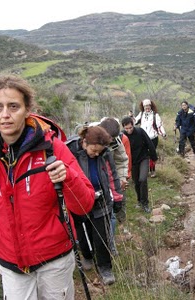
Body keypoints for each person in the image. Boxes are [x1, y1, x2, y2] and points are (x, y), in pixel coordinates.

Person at [0, 74, 95, 300]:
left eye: (13, 106)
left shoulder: (52, 149)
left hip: (54, 260)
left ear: (27, 110)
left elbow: (84, 205)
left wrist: (68, 178)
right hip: (11, 264)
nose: (5, 114)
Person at [67, 125, 122, 285]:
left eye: (99, 151)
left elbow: (112, 175)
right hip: (79, 201)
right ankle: (87, 256)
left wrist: (117, 197)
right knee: (82, 234)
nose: (96, 154)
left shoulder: (105, 154)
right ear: (84, 142)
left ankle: (105, 268)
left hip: (101, 200)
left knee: (102, 236)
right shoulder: (71, 152)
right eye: (94, 150)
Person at [99, 117, 131, 256]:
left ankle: (109, 245)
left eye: (112, 139)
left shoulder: (116, 142)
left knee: (111, 214)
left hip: (110, 180)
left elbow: (122, 160)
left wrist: (122, 179)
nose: (110, 142)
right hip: (91, 181)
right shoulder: (88, 138)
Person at [121, 116, 158, 213]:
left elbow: (149, 143)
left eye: (130, 128)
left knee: (143, 179)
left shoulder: (140, 132)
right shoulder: (122, 136)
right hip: (132, 161)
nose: (129, 130)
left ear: (133, 125)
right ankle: (139, 200)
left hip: (143, 158)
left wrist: (154, 157)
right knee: (136, 182)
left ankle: (145, 203)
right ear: (123, 128)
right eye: (126, 128)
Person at [134, 99, 166, 178]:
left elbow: (159, 126)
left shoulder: (155, 115)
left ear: (151, 106)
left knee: (152, 154)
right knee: (143, 154)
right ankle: (144, 170)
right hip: (143, 138)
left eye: (148, 105)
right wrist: (130, 118)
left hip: (153, 138)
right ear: (143, 107)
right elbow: (134, 121)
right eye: (145, 106)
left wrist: (163, 133)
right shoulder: (141, 114)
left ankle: (152, 170)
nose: (147, 107)